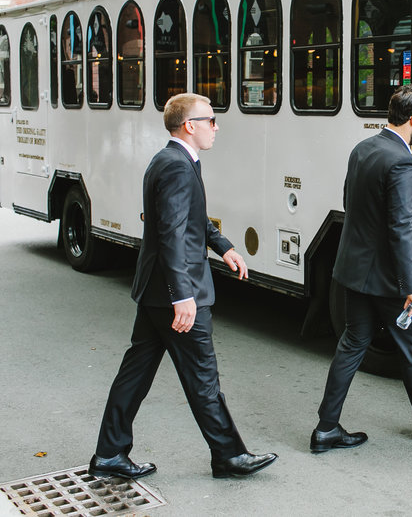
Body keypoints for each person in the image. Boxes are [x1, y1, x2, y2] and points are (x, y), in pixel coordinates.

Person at [90, 93, 276, 480]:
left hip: (157, 293)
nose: (216, 127)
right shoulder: (176, 166)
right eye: (211, 120)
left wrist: (224, 248)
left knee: (135, 375)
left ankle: (109, 453)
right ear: (190, 125)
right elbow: (172, 235)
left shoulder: (174, 160)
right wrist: (184, 295)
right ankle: (228, 455)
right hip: (176, 293)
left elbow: (191, 220)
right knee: (203, 378)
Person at [311, 85, 412, 453]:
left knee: (351, 346)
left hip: (355, 273)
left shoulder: (363, 149)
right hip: (389, 281)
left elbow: (353, 209)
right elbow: (403, 229)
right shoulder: (403, 162)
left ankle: (326, 428)